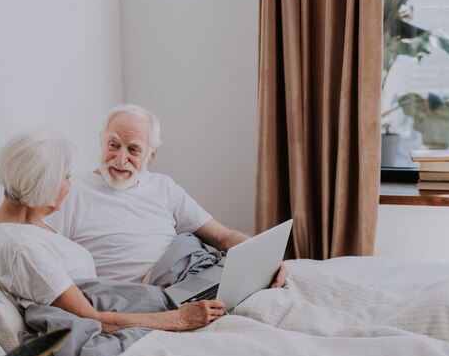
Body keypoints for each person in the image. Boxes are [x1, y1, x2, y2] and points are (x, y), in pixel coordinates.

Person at [0, 127, 225, 334]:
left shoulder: (18, 225)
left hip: (134, 295)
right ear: (45, 184)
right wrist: (180, 319)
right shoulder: (24, 249)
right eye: (66, 176)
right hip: (114, 318)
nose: (70, 184)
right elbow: (92, 320)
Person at [47, 104, 286, 287]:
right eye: (113, 145)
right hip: (133, 299)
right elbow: (45, 255)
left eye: (133, 150)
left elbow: (222, 237)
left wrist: (267, 262)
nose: (120, 159)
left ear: (151, 156)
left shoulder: (163, 187)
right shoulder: (72, 191)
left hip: (184, 284)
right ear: (101, 141)